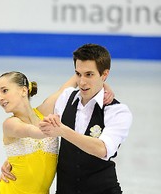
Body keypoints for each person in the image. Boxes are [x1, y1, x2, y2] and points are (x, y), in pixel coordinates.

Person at [0, 69, 114, 193]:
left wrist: (103, 85)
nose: (0, 98)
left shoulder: (44, 112)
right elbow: (34, 132)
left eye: (4, 91)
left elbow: (77, 78)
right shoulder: (10, 124)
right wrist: (59, 128)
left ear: (23, 90)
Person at [39, 43, 133, 194]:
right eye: (78, 74)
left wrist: (62, 131)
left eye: (89, 74)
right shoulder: (65, 98)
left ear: (104, 74)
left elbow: (102, 149)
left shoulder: (117, 111)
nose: (82, 82)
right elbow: (37, 116)